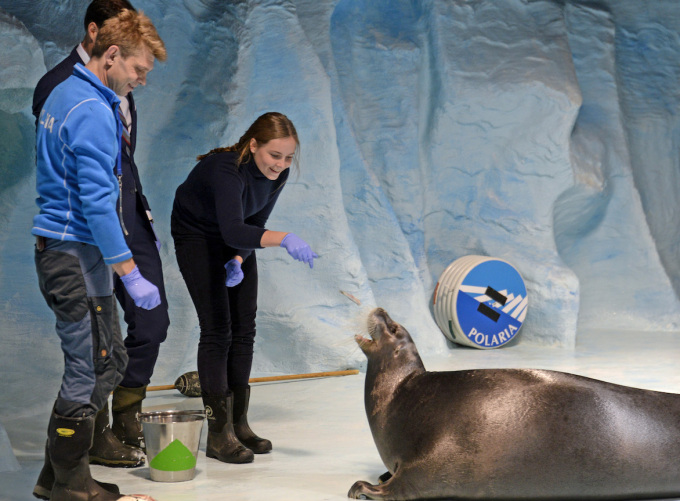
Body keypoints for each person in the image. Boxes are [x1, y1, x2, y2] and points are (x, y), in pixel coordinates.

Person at [32, 8, 166, 501]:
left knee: (108, 362)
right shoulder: (89, 108)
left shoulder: (70, 91)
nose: (141, 80)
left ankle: (53, 477)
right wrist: (129, 272)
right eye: (138, 70)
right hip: (70, 253)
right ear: (111, 55)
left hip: (77, 252)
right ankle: (71, 484)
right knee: (89, 366)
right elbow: (95, 201)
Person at [171, 112, 317, 464]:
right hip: (198, 237)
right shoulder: (225, 169)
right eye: (273, 156)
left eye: (287, 158)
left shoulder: (276, 176)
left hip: (235, 239)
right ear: (253, 146)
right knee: (218, 329)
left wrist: (237, 259)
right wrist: (284, 239)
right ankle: (219, 434)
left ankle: (239, 423)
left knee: (245, 329)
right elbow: (235, 228)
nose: (280, 165)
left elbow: (254, 224)